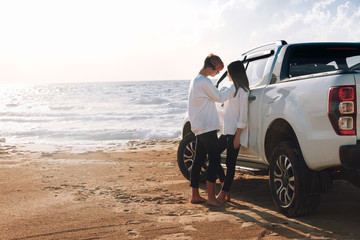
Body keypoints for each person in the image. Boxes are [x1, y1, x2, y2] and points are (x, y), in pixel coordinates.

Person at [188, 54, 235, 207]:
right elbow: (220, 97)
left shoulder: (195, 80)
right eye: (217, 71)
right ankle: (211, 197)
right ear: (210, 68)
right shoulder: (204, 81)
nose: (217, 74)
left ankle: (195, 195)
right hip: (206, 126)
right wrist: (234, 87)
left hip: (199, 125)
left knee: (198, 160)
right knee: (214, 160)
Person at [216, 60, 250, 203]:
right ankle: (225, 185)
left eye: (229, 71)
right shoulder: (231, 89)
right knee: (213, 155)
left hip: (235, 133)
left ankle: (224, 193)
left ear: (234, 73)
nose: (227, 74)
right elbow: (226, 111)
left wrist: (238, 136)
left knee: (230, 164)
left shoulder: (243, 92)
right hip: (226, 131)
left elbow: (243, 116)